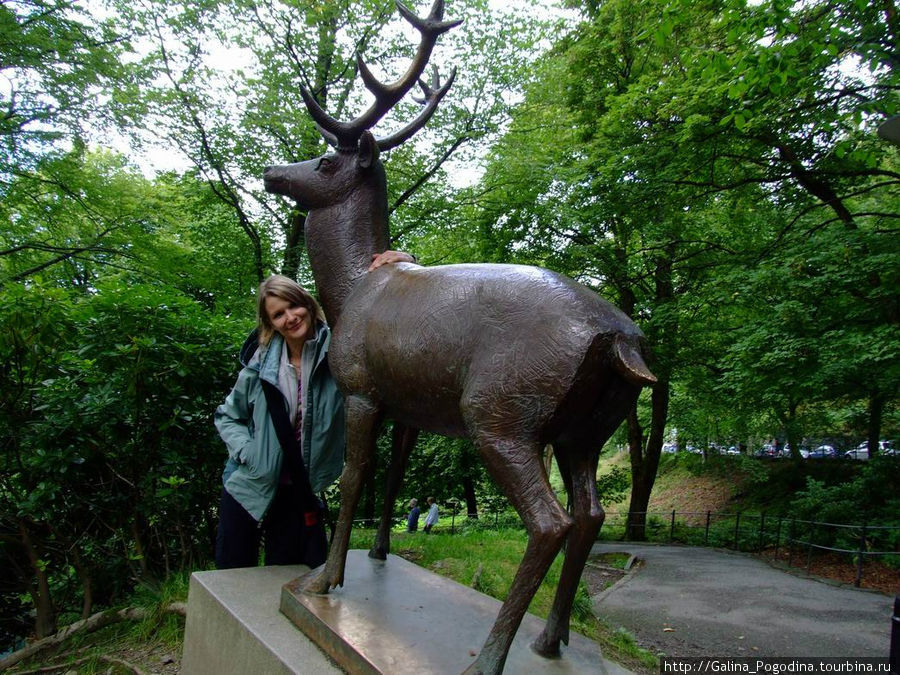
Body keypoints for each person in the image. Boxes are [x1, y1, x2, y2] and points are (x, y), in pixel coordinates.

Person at [214, 251, 414, 569]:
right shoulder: (259, 365)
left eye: (293, 305)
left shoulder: (340, 354)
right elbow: (228, 415)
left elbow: (388, 315)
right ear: (271, 324)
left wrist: (406, 261)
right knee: (232, 577)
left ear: (307, 303)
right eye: (278, 314)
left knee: (286, 578)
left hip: (297, 494)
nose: (290, 317)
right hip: (247, 487)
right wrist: (247, 452)